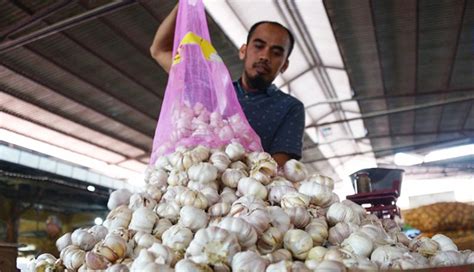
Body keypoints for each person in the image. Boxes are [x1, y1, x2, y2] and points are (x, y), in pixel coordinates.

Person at [150, 5, 305, 167]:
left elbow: (277, 168)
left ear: (285, 65)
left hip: (242, 190)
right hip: (194, 181)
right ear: (243, 51)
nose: (265, 56)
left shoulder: (290, 107)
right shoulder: (211, 90)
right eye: (259, 46)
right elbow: (159, 50)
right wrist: (185, 4)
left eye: (276, 52)